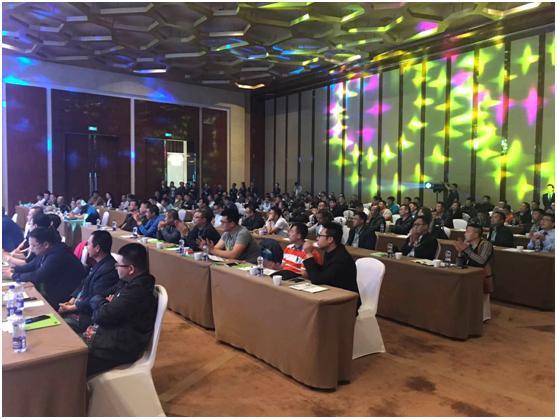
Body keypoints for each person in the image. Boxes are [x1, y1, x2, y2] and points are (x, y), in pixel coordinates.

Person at [84, 243, 157, 376]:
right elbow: (98, 295)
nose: (116, 267)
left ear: (131, 269)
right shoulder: (126, 282)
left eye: (118, 265)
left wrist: (106, 304)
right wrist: (105, 303)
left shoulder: (138, 291)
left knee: (70, 362)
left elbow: (100, 316)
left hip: (118, 349)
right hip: (110, 337)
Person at [59, 231, 119, 334]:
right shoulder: (100, 263)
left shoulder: (109, 270)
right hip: (80, 306)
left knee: (59, 323)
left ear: (97, 248)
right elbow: (84, 283)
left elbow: (95, 298)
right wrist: (72, 300)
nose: (86, 247)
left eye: (89, 244)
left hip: (88, 317)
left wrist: (72, 307)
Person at [11, 227, 86, 308]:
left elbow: (38, 276)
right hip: (54, 293)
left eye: (33, 245)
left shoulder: (58, 254)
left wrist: (13, 276)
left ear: (46, 244)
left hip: (67, 298)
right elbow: (31, 266)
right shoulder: (46, 251)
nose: (31, 249)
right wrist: (13, 270)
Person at [301, 222, 359, 298]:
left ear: (330, 239)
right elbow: (325, 272)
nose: (317, 238)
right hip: (332, 291)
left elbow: (317, 279)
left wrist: (308, 254)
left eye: (320, 236)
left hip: (345, 298)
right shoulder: (332, 251)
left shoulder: (341, 258)